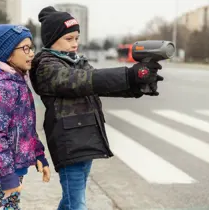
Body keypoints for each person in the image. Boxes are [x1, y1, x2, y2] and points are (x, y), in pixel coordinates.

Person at [29, 6, 164, 210]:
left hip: (85, 138)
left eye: (77, 38)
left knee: (72, 201)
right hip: (69, 143)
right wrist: (128, 75)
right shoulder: (47, 67)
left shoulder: (75, 61)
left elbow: (100, 85)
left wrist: (136, 85)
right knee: (77, 204)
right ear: (51, 39)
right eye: (69, 39)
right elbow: (82, 81)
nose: (75, 44)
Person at [0, 24, 50, 210]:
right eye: (25, 48)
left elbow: (26, 126)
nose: (31, 53)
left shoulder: (16, 80)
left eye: (31, 47)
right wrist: (7, 175)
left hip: (11, 168)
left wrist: (39, 154)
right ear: (6, 53)